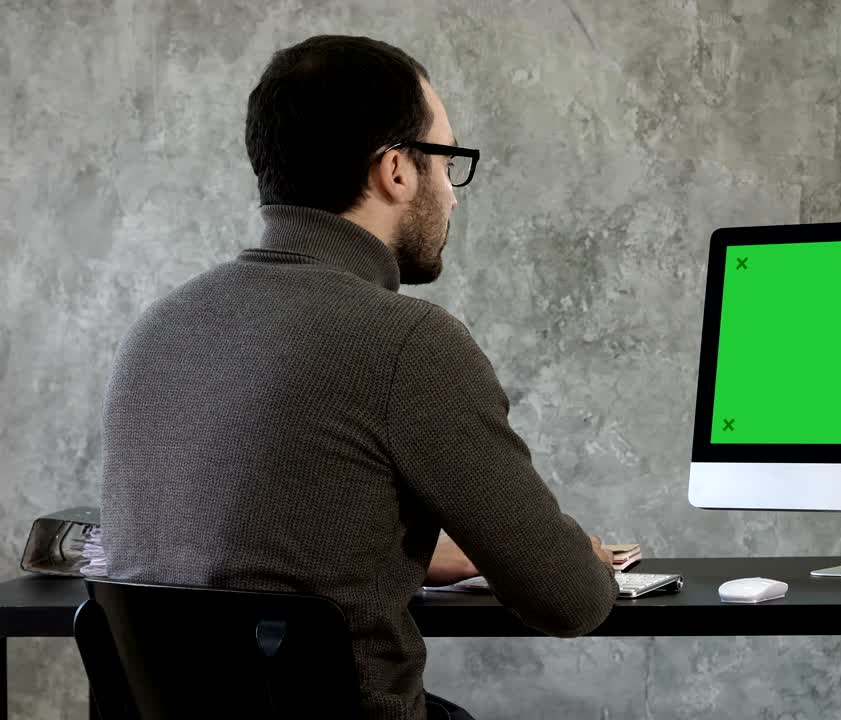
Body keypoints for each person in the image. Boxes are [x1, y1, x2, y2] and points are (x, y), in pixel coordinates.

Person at [99, 35, 618, 720]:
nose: (453, 197)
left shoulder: (152, 333)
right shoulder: (408, 343)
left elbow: (224, 556)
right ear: (397, 170)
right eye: (447, 162)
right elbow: (570, 600)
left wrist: (397, 551)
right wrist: (578, 553)